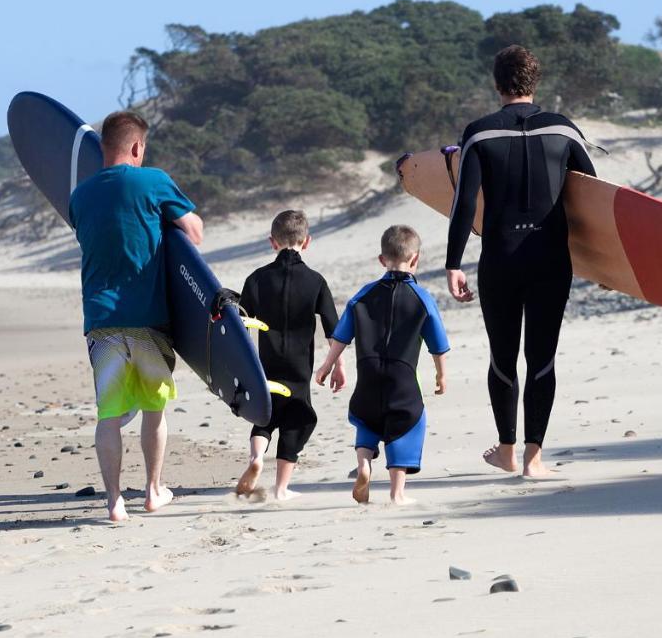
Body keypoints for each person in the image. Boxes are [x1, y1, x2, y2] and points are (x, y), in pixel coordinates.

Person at [445, 45, 596, 478]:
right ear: (536, 82)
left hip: (500, 260)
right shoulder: (565, 131)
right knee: (543, 357)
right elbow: (593, 199)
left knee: (502, 357)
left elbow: (462, 205)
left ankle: (507, 450)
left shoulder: (479, 133)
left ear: (496, 84)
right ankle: (535, 459)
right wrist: (607, 266)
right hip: (551, 260)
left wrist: (453, 262)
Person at [68, 110, 203, 522]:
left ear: (103, 147)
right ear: (138, 146)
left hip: (102, 320)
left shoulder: (79, 196)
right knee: (153, 409)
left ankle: (113, 502)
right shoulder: (154, 181)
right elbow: (194, 233)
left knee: (109, 415)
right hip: (149, 318)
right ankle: (152, 490)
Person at [315, 225, 449, 505]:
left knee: (367, 419)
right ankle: (397, 493)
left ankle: (364, 465)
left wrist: (327, 365)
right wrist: (441, 375)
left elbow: (341, 335)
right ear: (416, 259)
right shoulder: (423, 299)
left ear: (381, 259)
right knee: (407, 424)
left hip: (368, 373)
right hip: (402, 379)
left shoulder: (363, 295)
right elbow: (437, 342)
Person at [234, 209, 345, 500]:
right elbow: (336, 329)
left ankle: (256, 458)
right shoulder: (316, 281)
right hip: (299, 368)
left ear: (273, 242)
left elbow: (241, 325)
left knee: (265, 416)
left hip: (266, 364)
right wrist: (335, 365)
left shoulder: (256, 279)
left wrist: (240, 367)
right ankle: (281, 488)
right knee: (297, 419)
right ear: (306, 242)